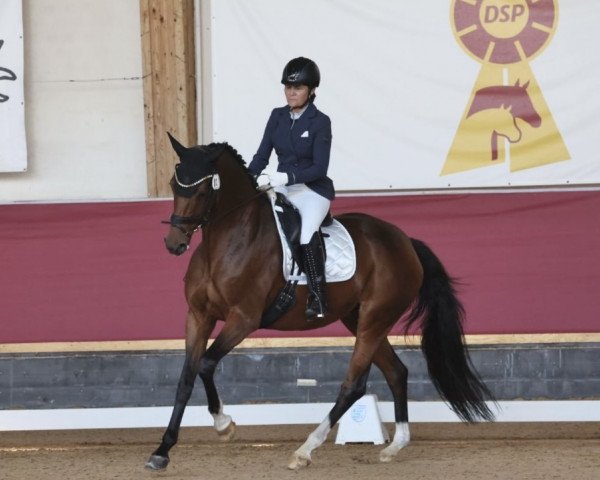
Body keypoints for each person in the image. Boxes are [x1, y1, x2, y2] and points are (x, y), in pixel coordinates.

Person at [248, 57, 334, 321]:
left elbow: (320, 168)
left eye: (298, 88)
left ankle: (318, 297)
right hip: (282, 188)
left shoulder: (320, 122)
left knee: (306, 234)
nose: (291, 92)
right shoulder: (277, 117)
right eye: (288, 87)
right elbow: (262, 155)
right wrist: (249, 180)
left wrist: (286, 176)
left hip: (312, 191)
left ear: (311, 91)